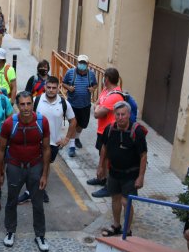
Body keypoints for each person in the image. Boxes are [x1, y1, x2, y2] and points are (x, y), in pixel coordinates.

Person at [0, 91, 51, 252]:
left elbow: (47, 149)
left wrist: (45, 174)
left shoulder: (42, 122)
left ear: (33, 104)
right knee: (12, 200)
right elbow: (0, 149)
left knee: (38, 203)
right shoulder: (9, 123)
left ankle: (40, 235)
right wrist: (0, 173)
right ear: (17, 105)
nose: (26, 107)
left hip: (35, 166)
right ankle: (10, 231)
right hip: (14, 166)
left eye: (28, 103)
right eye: (22, 104)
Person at [19, 77, 76, 204]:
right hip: (35, 142)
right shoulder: (36, 100)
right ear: (45, 87)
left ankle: (40, 188)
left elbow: (73, 121)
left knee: (45, 166)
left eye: (54, 88)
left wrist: (66, 139)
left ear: (58, 88)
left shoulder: (64, 103)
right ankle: (30, 192)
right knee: (33, 167)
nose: (51, 90)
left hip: (52, 144)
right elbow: (25, 116)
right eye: (48, 87)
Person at [98, 101, 147, 237]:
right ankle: (116, 225)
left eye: (123, 115)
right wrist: (101, 166)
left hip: (130, 174)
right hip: (114, 171)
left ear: (129, 115)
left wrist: (141, 177)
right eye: (118, 114)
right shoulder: (110, 129)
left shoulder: (136, 131)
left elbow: (143, 155)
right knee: (115, 199)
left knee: (126, 201)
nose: (120, 117)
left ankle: (127, 230)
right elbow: (104, 148)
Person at [87, 67, 125, 198]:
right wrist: (98, 106)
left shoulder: (114, 96)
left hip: (110, 132)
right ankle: (101, 178)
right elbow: (96, 103)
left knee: (108, 159)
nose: (103, 79)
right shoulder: (105, 91)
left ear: (107, 79)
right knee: (102, 155)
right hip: (101, 130)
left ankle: (109, 186)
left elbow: (97, 113)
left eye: (104, 77)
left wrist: (97, 107)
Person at [62, 55, 98, 156]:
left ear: (88, 64)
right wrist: (69, 88)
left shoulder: (91, 74)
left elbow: (95, 84)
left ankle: (76, 137)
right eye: (80, 62)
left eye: (84, 63)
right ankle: (72, 146)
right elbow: (63, 83)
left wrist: (93, 89)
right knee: (73, 124)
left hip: (85, 105)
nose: (82, 65)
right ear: (77, 63)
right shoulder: (70, 72)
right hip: (72, 104)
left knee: (82, 125)